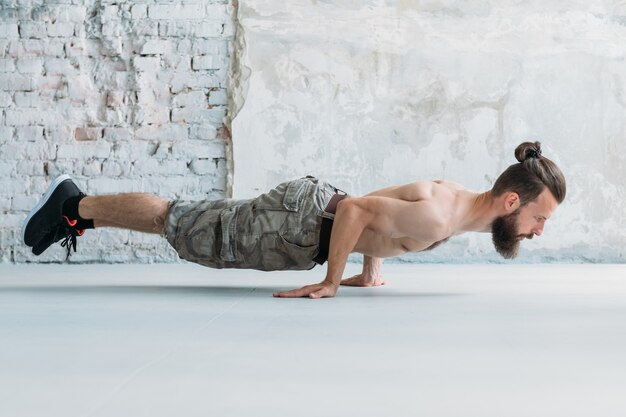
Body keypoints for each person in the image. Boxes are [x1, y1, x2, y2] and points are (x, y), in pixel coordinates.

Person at [22, 141, 566, 299]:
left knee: (188, 225)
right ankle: (75, 206)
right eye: (539, 219)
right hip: (300, 225)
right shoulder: (439, 217)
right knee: (183, 223)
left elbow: (377, 207)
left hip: (307, 214)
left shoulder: (454, 201)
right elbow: (356, 210)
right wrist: (331, 281)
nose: (539, 232)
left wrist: (369, 266)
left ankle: (78, 214)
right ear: (512, 204)